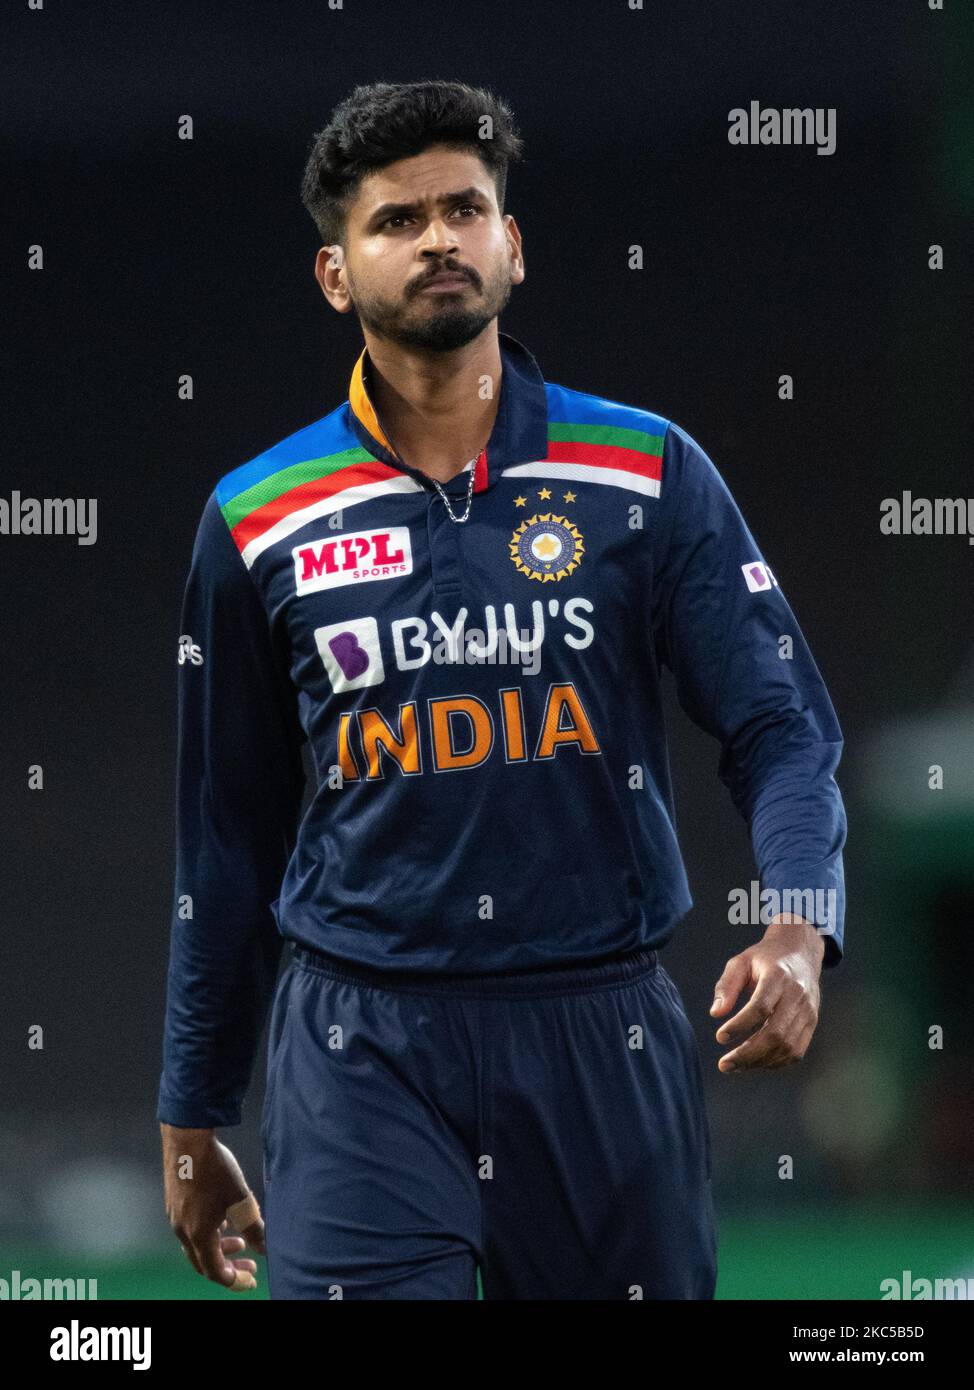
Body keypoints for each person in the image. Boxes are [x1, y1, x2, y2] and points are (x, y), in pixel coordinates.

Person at [158, 79, 847, 1300]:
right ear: (336, 275)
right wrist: (191, 1110)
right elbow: (228, 837)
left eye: (465, 209)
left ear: (510, 246)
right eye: (395, 220)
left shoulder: (643, 471)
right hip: (361, 1043)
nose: (436, 238)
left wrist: (799, 924)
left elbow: (780, 725)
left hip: (601, 1035)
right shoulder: (257, 516)